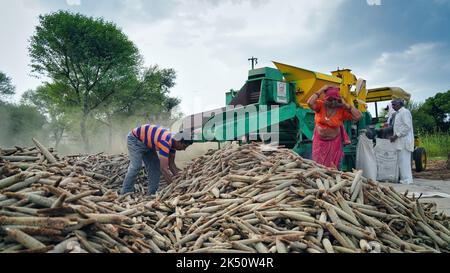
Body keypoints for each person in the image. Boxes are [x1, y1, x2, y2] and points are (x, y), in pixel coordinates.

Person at [121, 124, 193, 196]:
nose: (184, 149)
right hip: (135, 140)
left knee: (155, 167)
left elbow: (171, 165)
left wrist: (181, 180)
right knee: (136, 166)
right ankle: (125, 192)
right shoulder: (165, 141)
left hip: (148, 144)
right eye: (184, 146)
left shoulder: (173, 144)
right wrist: (173, 188)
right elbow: (164, 169)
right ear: (178, 141)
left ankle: (151, 193)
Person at [308, 85, 363, 169]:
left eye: (335, 100)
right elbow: (309, 103)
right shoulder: (320, 105)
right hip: (319, 143)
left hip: (334, 144)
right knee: (318, 165)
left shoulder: (341, 109)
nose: (333, 102)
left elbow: (358, 116)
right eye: (330, 99)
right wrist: (321, 89)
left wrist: (346, 105)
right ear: (325, 98)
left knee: (333, 166)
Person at [389, 99, 414, 185]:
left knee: (405, 161)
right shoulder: (398, 114)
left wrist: (396, 136)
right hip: (400, 141)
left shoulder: (405, 112)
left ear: (400, 104)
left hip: (404, 141)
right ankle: (404, 179)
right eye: (392, 105)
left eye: (394, 105)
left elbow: (407, 127)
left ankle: (407, 180)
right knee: (401, 161)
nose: (393, 106)